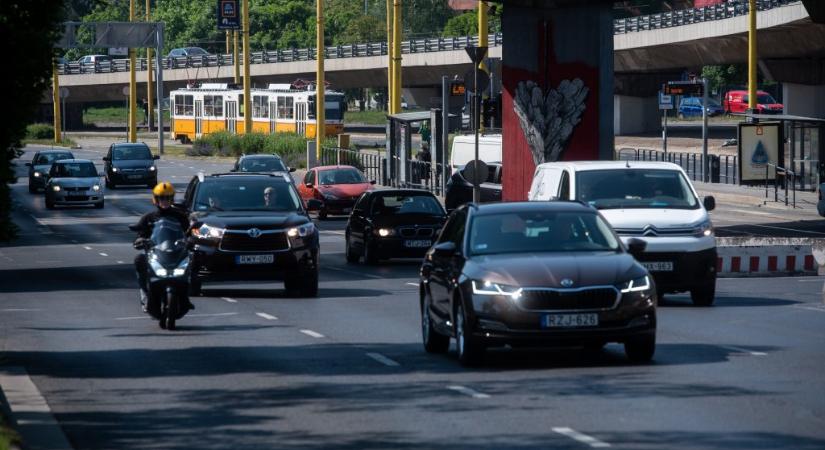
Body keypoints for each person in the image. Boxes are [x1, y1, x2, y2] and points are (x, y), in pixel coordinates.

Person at [133, 182, 194, 313]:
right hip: (155, 255)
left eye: (167, 198)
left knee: (195, 258)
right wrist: (140, 240)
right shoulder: (148, 218)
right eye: (162, 198)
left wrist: (191, 240)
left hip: (176, 253)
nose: (164, 201)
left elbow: (188, 233)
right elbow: (139, 235)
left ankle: (187, 295)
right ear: (156, 199)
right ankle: (145, 295)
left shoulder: (180, 216)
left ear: (172, 199)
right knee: (139, 260)